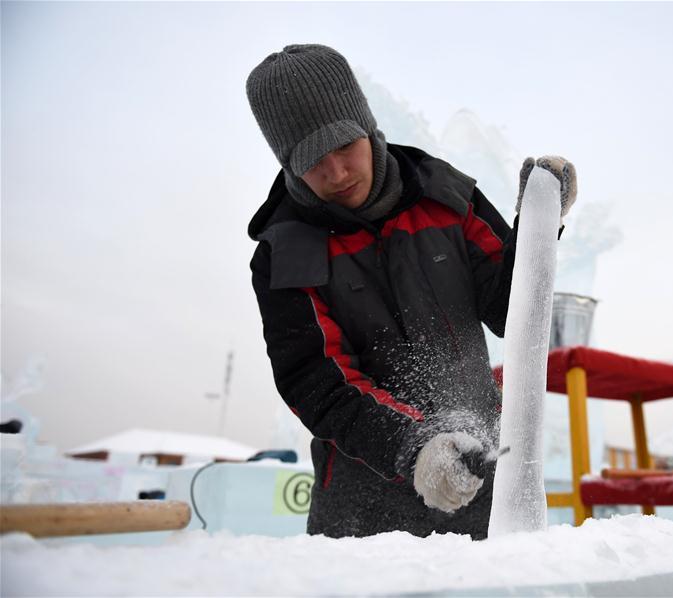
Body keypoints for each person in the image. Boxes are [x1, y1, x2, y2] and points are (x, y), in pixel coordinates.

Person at [245, 44, 576, 539]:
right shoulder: (284, 253)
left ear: (368, 127)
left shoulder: (448, 199)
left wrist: (537, 228)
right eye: (312, 162)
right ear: (288, 164)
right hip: (362, 510)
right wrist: (415, 446)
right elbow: (315, 381)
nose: (335, 173)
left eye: (343, 147)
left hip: (481, 485)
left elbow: (509, 312)